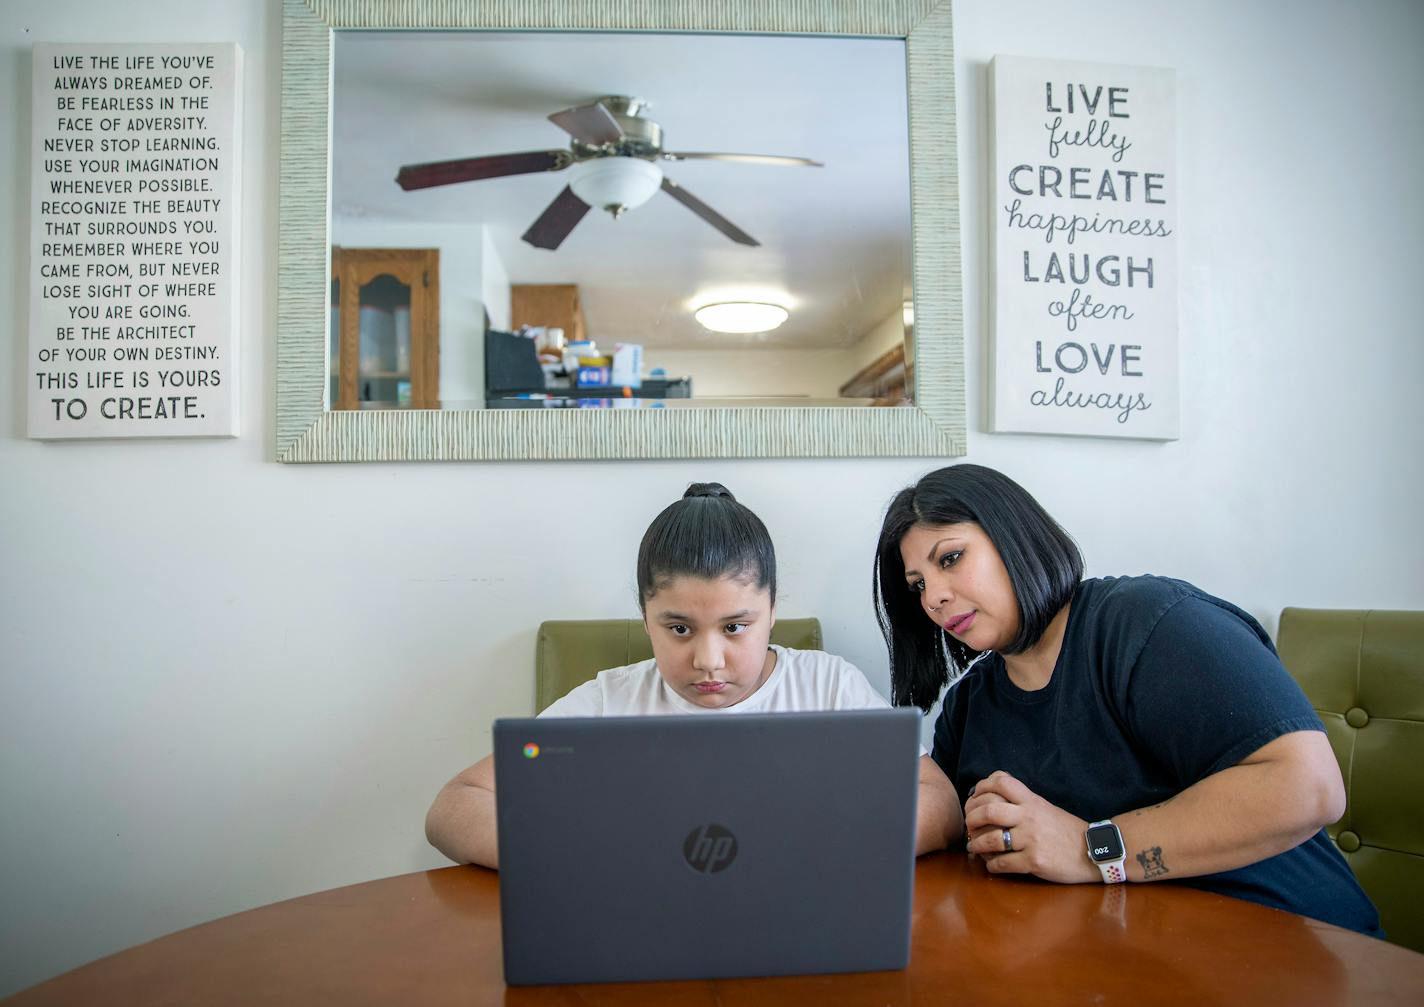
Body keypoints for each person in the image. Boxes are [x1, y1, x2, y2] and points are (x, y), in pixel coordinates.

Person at [873, 464, 1381, 936]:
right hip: (1126, 964)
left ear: (1013, 534)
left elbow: (1308, 787)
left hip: (1293, 947)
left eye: (951, 558)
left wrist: (1087, 848)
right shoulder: (968, 706)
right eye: (918, 585)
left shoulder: (1147, 623)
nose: (933, 597)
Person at [428, 482, 960, 868]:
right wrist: (577, 851)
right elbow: (456, 804)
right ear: (645, 619)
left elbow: (937, 801)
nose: (709, 659)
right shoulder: (607, 704)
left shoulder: (828, 687)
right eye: (679, 629)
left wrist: (832, 841)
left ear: (772, 612)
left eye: (735, 626)